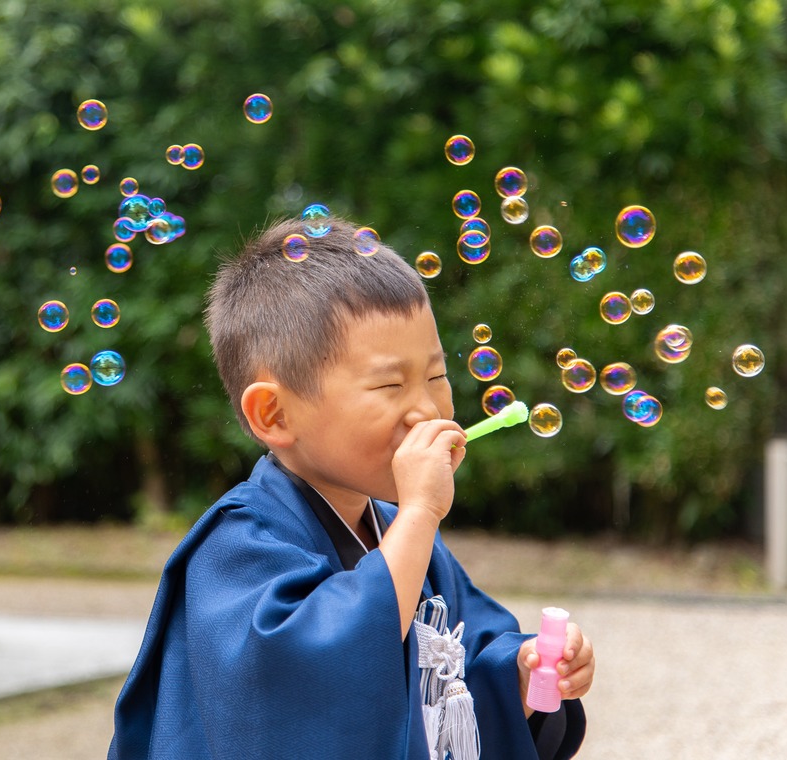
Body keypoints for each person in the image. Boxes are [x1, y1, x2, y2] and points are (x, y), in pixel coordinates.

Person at [109, 216, 594, 759]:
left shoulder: (407, 538)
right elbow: (312, 682)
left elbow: (461, 672)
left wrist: (526, 680)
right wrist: (419, 514)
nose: (428, 409)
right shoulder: (236, 549)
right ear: (273, 413)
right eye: (390, 384)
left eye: (437, 377)